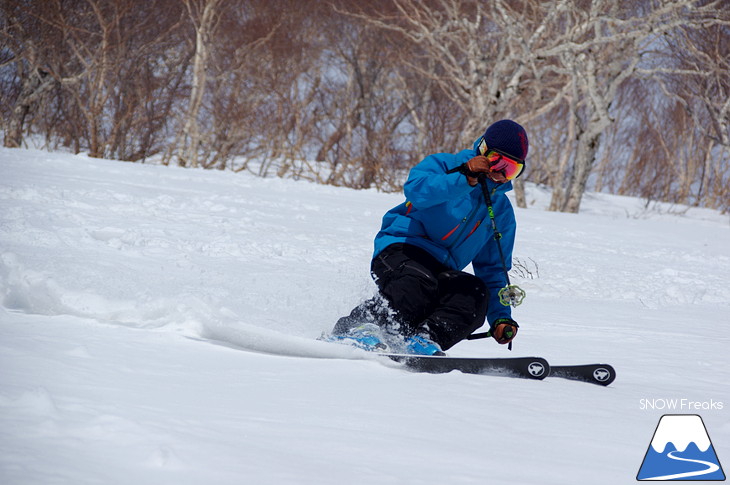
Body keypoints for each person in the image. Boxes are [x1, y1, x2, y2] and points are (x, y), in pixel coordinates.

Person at [330, 119, 528, 355]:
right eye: (498, 163)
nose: (501, 175)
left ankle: (424, 339)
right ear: (483, 150)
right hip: (402, 247)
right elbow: (417, 190)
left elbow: (494, 271)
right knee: (417, 282)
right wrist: (464, 177)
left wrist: (500, 317)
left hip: (441, 269)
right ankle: (357, 328)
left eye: (512, 170)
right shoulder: (446, 165)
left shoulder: (501, 211)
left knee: (475, 292)